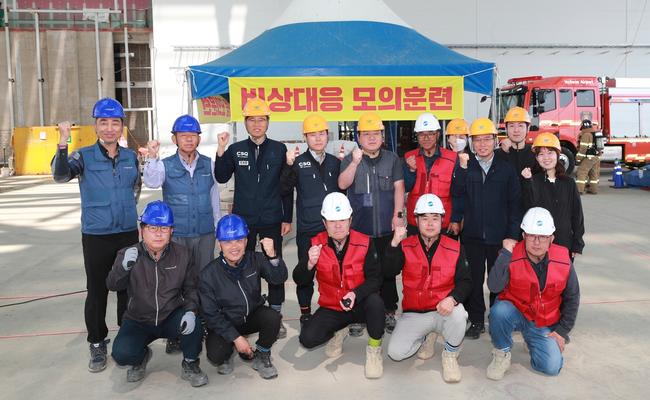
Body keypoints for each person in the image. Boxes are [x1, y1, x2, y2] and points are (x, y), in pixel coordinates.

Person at [51, 98, 141, 372]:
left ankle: (127, 335)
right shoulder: (83, 156)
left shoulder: (130, 157)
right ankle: (97, 341)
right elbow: (60, 175)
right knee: (97, 290)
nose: (109, 128)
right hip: (97, 235)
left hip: (127, 233)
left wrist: (128, 210)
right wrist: (63, 143)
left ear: (122, 126)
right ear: (96, 126)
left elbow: (136, 187)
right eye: (104, 123)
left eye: (115, 123)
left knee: (127, 289)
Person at [215, 98, 293, 338]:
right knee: (243, 266)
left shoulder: (279, 149)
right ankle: (246, 311)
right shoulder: (236, 149)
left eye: (261, 120)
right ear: (245, 123)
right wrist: (220, 150)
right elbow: (221, 176)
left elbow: (286, 188)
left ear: (268, 122)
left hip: (271, 218)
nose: (257, 124)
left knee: (274, 264)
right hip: (244, 221)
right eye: (252, 120)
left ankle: (276, 314)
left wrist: (286, 218)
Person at [107, 201, 208, 387]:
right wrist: (123, 268)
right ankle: (141, 357)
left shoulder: (183, 254)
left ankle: (190, 363)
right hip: (139, 319)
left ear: (171, 231)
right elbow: (113, 285)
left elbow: (191, 288)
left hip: (171, 315)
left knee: (195, 326)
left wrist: (191, 312)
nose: (159, 233)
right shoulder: (128, 254)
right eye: (153, 228)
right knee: (121, 354)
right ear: (142, 230)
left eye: (164, 228)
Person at [143, 114, 221, 353]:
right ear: (174, 138)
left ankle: (204, 322)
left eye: (193, 135)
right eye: (183, 135)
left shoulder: (209, 164)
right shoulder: (165, 165)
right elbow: (152, 182)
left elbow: (214, 196)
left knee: (204, 280)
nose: (188, 139)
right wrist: (152, 157)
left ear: (198, 138)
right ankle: (175, 331)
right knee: (175, 282)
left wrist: (218, 226)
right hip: (177, 235)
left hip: (205, 232)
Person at [296, 193, 385, 379]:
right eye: (332, 221)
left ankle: (374, 350)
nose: (338, 226)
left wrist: (355, 294)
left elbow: (375, 279)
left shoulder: (365, 242)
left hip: (359, 303)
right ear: (324, 223)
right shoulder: (315, 244)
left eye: (342, 220)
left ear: (350, 220)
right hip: (333, 306)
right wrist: (309, 264)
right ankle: (338, 331)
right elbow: (300, 280)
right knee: (307, 339)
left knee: (376, 303)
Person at [385, 194, 471, 383]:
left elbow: (466, 282)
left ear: (442, 221)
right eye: (424, 218)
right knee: (396, 353)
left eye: (435, 218)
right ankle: (427, 336)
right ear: (416, 221)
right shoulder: (405, 245)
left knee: (459, 315)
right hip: (415, 313)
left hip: (443, 310)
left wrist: (452, 299)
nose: (430, 224)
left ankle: (450, 354)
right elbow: (388, 272)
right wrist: (394, 243)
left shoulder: (455, 248)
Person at [486, 207, 580, 379]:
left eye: (542, 237)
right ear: (523, 236)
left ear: (551, 238)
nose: (536, 242)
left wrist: (561, 331)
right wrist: (505, 254)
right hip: (516, 312)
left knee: (551, 367)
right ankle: (502, 352)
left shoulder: (562, 258)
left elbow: (572, 297)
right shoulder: (511, 254)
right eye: (531, 236)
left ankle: (533, 341)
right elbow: (494, 286)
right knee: (498, 312)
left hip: (543, 321)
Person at [338, 112, 405, 334]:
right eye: (366, 134)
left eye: (376, 133)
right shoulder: (350, 159)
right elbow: (342, 184)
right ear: (358, 137)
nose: (372, 138)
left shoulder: (392, 159)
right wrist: (355, 163)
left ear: (382, 136)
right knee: (359, 273)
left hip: (386, 228)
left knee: (388, 272)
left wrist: (398, 214)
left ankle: (389, 311)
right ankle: (358, 315)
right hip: (360, 230)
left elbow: (399, 187)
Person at [199, 214, 288, 380]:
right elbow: (210, 314)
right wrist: (236, 338)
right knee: (216, 355)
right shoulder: (208, 274)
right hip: (226, 321)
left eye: (239, 240)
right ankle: (228, 352)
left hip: (251, 316)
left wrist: (272, 255)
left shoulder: (255, 259)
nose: (234, 247)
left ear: (246, 241)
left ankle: (262, 353)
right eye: (227, 242)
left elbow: (278, 278)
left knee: (273, 317)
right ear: (219, 244)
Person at [459, 118, 522, 340]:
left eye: (487, 139)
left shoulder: (506, 169)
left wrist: (512, 235)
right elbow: (457, 196)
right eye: (478, 140)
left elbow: (515, 205)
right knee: (474, 281)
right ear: (472, 143)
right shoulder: (466, 167)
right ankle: (476, 320)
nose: (482, 144)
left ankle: (497, 320)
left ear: (495, 140)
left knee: (499, 281)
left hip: (499, 237)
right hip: (472, 236)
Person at [280, 114, 341, 326]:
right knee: (305, 272)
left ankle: (336, 308)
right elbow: (284, 189)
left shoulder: (335, 162)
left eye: (321, 134)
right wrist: (288, 166)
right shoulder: (297, 162)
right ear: (305, 137)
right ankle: (305, 312)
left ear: (327, 135)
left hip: (334, 230)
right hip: (308, 229)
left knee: (335, 272)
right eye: (312, 134)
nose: (318, 138)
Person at [403, 113, 468, 238]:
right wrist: (411, 170)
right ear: (417, 136)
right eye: (422, 134)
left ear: (438, 134)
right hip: (416, 223)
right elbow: (405, 187)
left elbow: (458, 192)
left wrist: (456, 219)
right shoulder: (409, 157)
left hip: (444, 223)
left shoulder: (452, 159)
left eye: (431, 133)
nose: (426, 138)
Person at [521, 133, 585, 258]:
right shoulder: (533, 181)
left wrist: (577, 243)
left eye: (550, 153)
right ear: (537, 158)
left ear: (558, 154)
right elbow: (528, 208)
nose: (546, 158)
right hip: (538, 246)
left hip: (564, 244)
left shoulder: (569, 183)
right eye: (541, 154)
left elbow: (577, 215)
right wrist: (527, 183)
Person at [496, 106, 537, 179]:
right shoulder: (496, 154)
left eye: (520, 126)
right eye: (512, 126)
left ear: (528, 128)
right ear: (506, 129)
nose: (516, 130)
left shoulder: (535, 154)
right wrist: (503, 153)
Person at [575, 119, 601, 194]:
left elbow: (583, 149)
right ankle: (593, 189)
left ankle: (579, 190)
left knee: (581, 172)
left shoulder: (586, 135)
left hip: (589, 157)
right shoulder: (594, 133)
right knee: (593, 173)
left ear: (583, 127)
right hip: (596, 157)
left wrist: (578, 158)